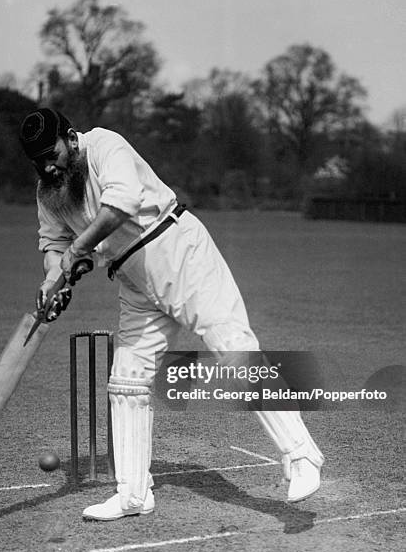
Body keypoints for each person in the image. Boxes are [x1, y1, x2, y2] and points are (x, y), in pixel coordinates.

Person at [19, 107, 324, 521]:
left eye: (50, 153)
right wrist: (53, 281)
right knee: (127, 380)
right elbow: (53, 244)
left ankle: (302, 456)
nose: (47, 165)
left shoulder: (106, 145)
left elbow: (120, 207)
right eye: (37, 160)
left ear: (70, 138)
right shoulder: (48, 191)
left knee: (233, 349)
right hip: (131, 277)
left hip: (176, 249)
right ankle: (133, 494)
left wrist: (75, 253)